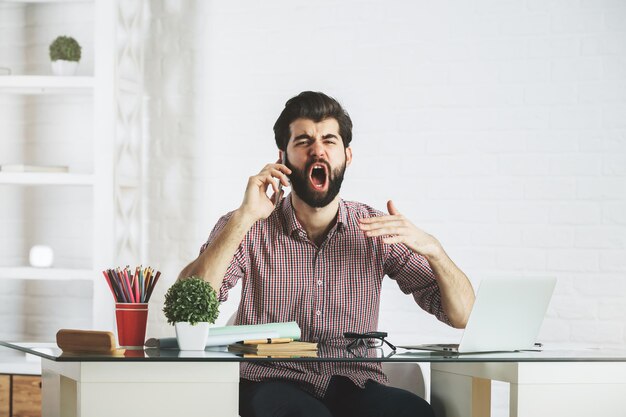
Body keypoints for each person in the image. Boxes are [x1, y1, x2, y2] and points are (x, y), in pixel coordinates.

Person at [178, 91, 475, 417]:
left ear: (347, 156)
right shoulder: (250, 225)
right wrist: (243, 219)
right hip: (269, 382)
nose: (317, 149)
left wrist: (433, 249)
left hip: (354, 383)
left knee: (414, 412)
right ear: (283, 159)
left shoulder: (376, 230)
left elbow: (462, 315)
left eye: (329, 141)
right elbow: (188, 307)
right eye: (303, 141)